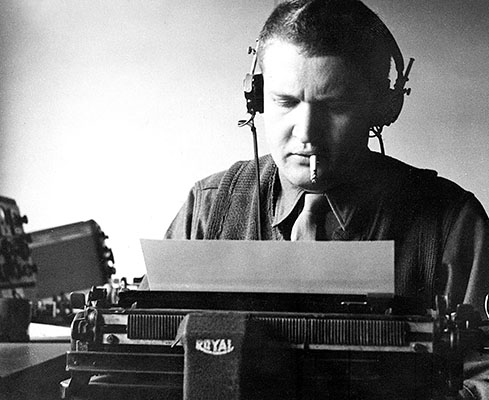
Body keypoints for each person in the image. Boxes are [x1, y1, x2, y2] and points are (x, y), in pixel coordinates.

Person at [158, 0, 489, 397]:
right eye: (285, 102)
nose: (306, 133)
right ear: (256, 99)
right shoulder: (208, 208)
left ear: (382, 107)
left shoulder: (451, 224)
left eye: (334, 105)